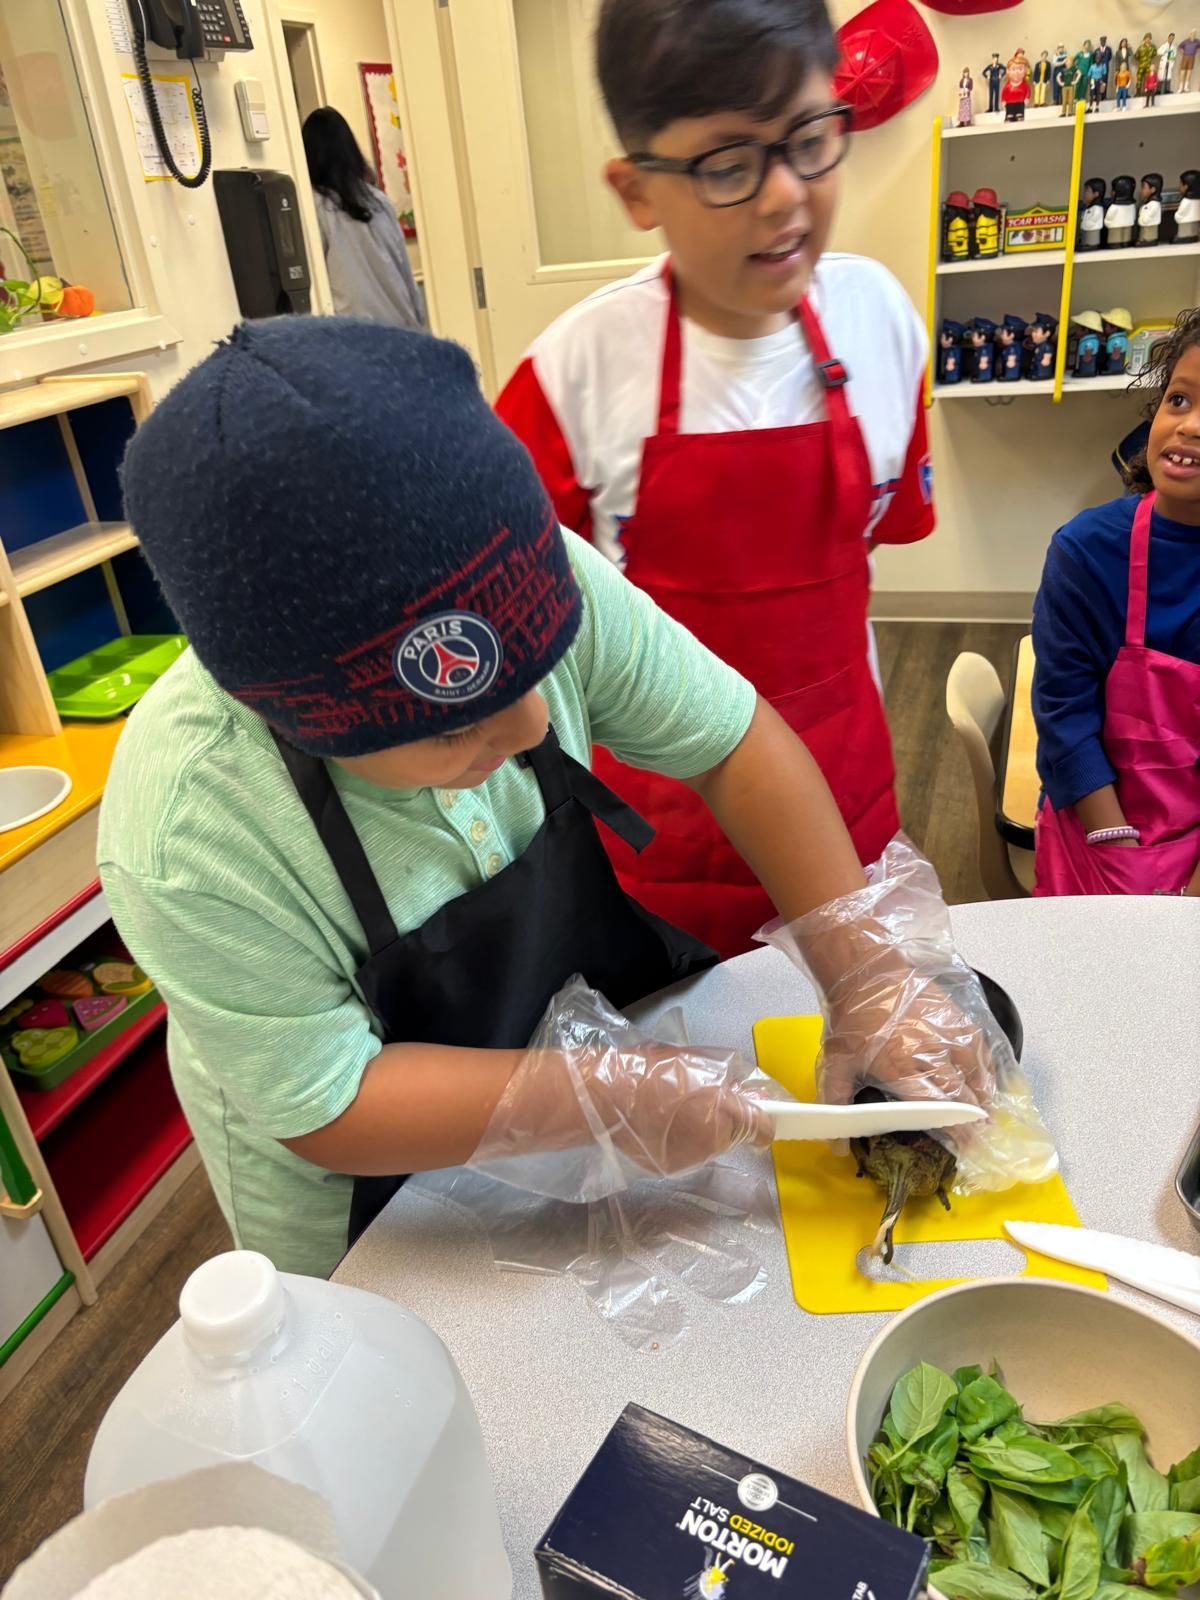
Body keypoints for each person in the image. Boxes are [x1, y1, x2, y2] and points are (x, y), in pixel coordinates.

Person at [100, 317, 995, 1278]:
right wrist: (597, 1097)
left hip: (563, 1071)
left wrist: (865, 974)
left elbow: (732, 743)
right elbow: (330, 1100)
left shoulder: (520, 572)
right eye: (454, 728)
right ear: (298, 719)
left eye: (542, 668)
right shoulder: (191, 831)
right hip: (371, 1198)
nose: (535, 729)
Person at [494, 0, 935, 960]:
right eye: (728, 165)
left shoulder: (884, 323)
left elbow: (883, 531)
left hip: (848, 809)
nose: (784, 197)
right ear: (635, 189)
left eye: (809, 141)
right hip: (662, 853)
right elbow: (525, 647)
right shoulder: (568, 378)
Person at [1033, 309, 1200, 898]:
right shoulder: (1085, 552)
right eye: (1179, 399)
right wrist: (1117, 849)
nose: (1189, 426)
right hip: (1101, 823)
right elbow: (1064, 714)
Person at [302, 107, 425, 330]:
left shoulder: (315, 209)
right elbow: (405, 274)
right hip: (402, 329)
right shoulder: (379, 201)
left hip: (358, 336)